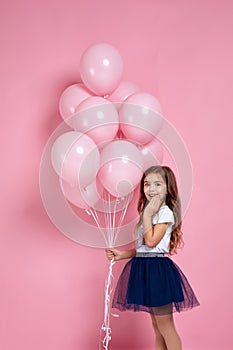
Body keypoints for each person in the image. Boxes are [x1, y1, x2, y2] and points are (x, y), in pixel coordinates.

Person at [106, 165, 199, 350]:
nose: (151, 189)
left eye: (158, 184)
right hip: (145, 268)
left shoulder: (164, 212)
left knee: (166, 326)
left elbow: (151, 242)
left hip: (158, 272)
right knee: (156, 327)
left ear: (167, 188)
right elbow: (143, 248)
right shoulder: (148, 213)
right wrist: (123, 254)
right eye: (147, 184)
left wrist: (147, 214)